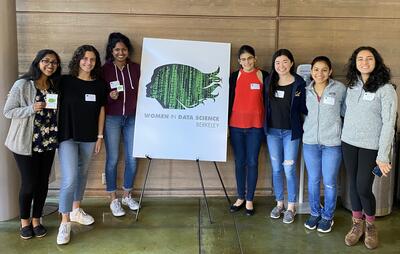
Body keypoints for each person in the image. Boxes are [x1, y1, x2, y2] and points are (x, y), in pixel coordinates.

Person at [342, 46, 397, 249]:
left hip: (370, 147)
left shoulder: (386, 89)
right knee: (353, 186)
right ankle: (357, 224)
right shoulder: (352, 86)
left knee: (363, 186)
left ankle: (371, 225)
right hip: (348, 143)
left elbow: (389, 123)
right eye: (360, 59)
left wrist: (383, 154)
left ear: (377, 62)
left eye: (369, 58)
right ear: (355, 63)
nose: (364, 62)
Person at [4, 49, 61, 239]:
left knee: (43, 184)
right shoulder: (23, 84)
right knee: (29, 184)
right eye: (46, 61)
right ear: (37, 62)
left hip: (48, 141)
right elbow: (8, 111)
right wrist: (31, 108)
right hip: (25, 142)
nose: (50, 65)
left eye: (54, 62)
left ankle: (37, 220)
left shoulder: (54, 86)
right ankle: (24, 222)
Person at [56, 45, 106, 245]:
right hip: (67, 135)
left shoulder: (100, 85)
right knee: (70, 178)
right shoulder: (64, 81)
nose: (88, 62)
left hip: (89, 137)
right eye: (85, 58)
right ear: (77, 59)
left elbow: (102, 110)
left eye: (92, 59)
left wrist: (100, 136)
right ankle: (64, 222)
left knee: (83, 174)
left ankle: (76, 210)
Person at [302, 56, 346, 233]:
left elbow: (346, 114)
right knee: (313, 180)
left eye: (324, 70)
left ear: (330, 72)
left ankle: (327, 216)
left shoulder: (340, 89)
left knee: (329, 181)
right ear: (311, 71)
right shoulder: (304, 91)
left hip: (332, 144)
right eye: (316, 69)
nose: (319, 73)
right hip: (310, 142)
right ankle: (314, 212)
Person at [264, 49, 307, 224]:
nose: (281, 66)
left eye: (284, 62)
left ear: (291, 63)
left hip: (291, 133)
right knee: (276, 169)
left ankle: (291, 206)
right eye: (277, 62)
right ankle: (279, 203)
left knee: (289, 169)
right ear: (274, 65)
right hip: (273, 132)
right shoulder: (269, 81)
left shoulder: (299, 82)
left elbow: (304, 107)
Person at [101, 32, 140, 217]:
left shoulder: (136, 68)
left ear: (128, 50)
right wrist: (110, 96)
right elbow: (99, 96)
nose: (121, 52)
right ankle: (113, 200)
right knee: (113, 159)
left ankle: (127, 195)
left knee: (133, 158)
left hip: (132, 118)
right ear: (111, 51)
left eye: (124, 49)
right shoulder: (105, 70)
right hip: (112, 118)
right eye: (117, 49)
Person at [228, 45, 268, 216]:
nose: (247, 62)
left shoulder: (263, 75)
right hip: (236, 126)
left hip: (255, 127)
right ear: (239, 61)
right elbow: (228, 100)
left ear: (255, 58)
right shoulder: (234, 76)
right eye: (243, 59)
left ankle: (250, 199)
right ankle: (240, 197)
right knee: (239, 162)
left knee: (252, 162)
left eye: (250, 58)